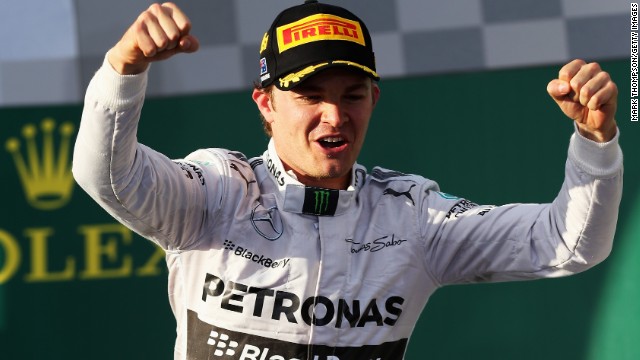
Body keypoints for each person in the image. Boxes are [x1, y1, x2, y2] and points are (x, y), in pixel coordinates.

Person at [72, 1, 622, 359]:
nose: (335, 117)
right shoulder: (217, 193)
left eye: (351, 96)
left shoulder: (412, 218)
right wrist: (123, 69)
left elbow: (569, 244)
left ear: (374, 100)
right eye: (311, 96)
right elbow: (107, 176)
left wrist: (597, 143)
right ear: (266, 103)